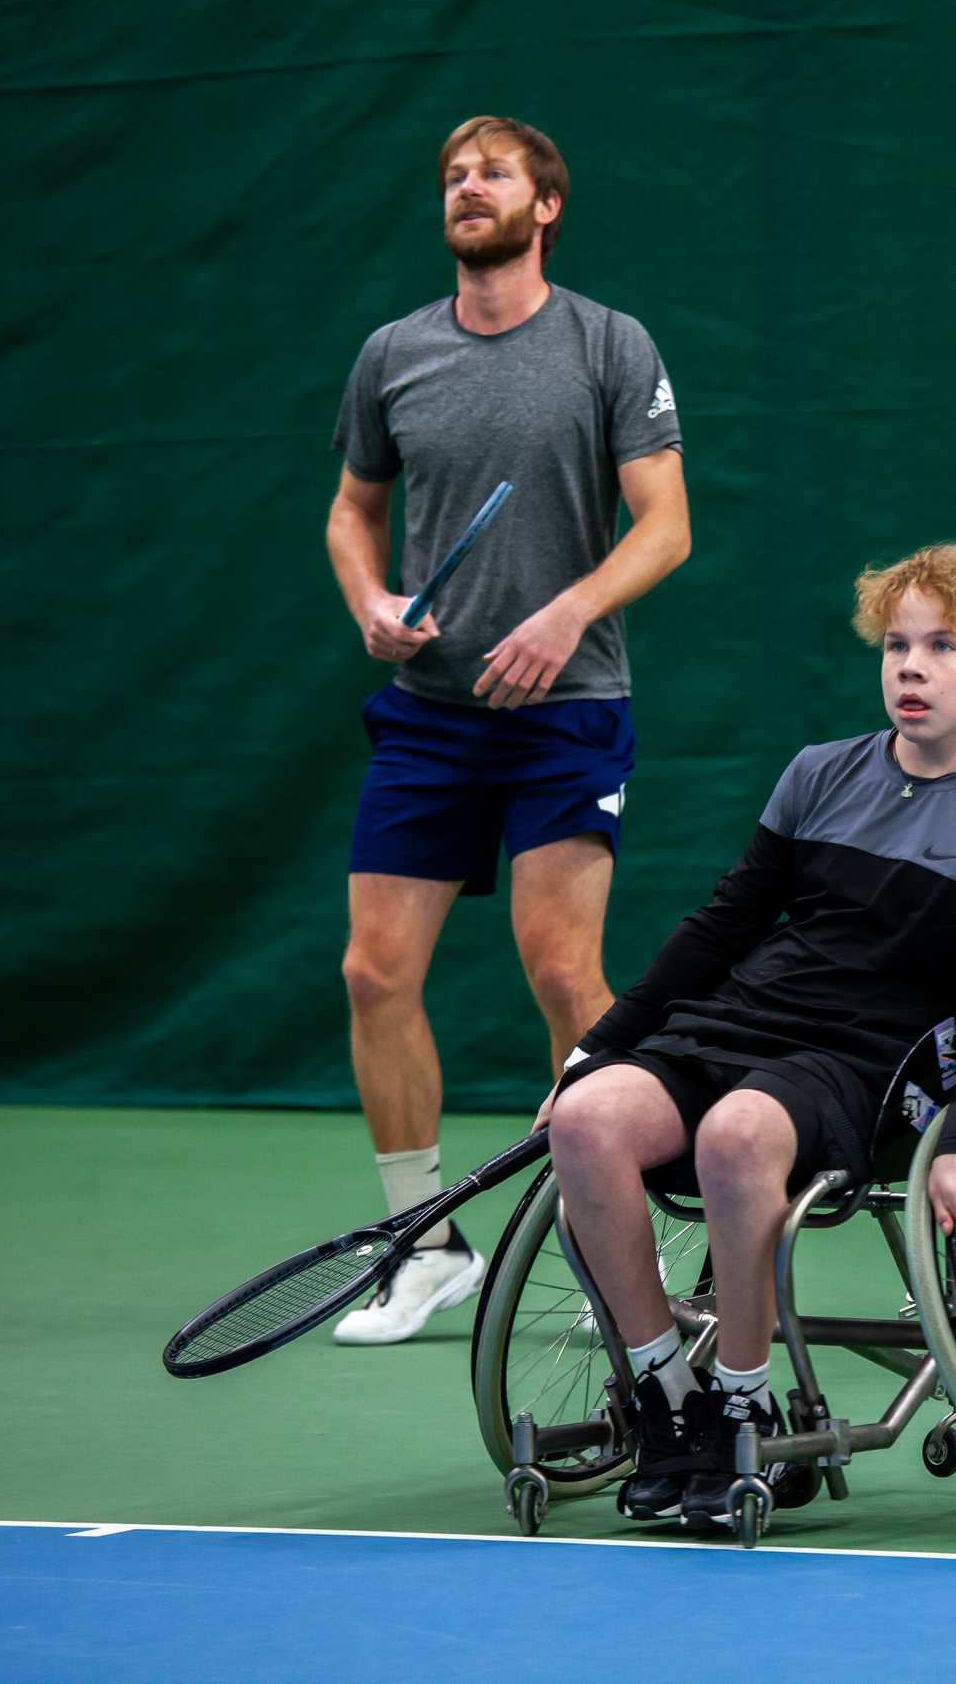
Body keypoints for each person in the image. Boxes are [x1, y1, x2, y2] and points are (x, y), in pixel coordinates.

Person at [538, 543, 956, 1531]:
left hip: (870, 1058)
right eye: (896, 645)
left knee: (735, 1137)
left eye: (941, 646)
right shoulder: (819, 775)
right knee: (586, 1121)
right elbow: (721, 927)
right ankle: (669, 1404)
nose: (909, 666)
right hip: (746, 1019)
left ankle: (744, 1401)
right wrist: (599, 1048)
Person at [323, 116, 691, 1346]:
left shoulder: (607, 345)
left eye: (489, 173)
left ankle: (607, 1248)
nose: (464, 187)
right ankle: (423, 1246)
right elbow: (349, 513)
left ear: (546, 205)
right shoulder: (393, 354)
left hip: (568, 710)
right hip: (431, 717)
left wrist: (566, 611)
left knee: (560, 974)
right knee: (374, 973)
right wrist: (371, 602)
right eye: (449, 176)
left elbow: (664, 526)